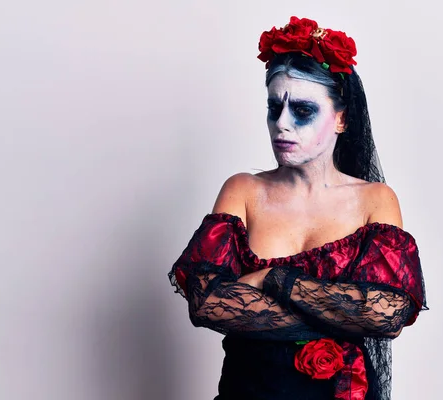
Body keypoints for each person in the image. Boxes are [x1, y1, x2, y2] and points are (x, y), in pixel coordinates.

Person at [168, 16, 428, 400]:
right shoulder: (244, 190)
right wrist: (338, 312)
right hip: (249, 391)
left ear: (341, 118)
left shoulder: (375, 199)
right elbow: (208, 303)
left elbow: (385, 314)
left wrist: (274, 279)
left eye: (303, 110)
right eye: (275, 108)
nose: (281, 125)